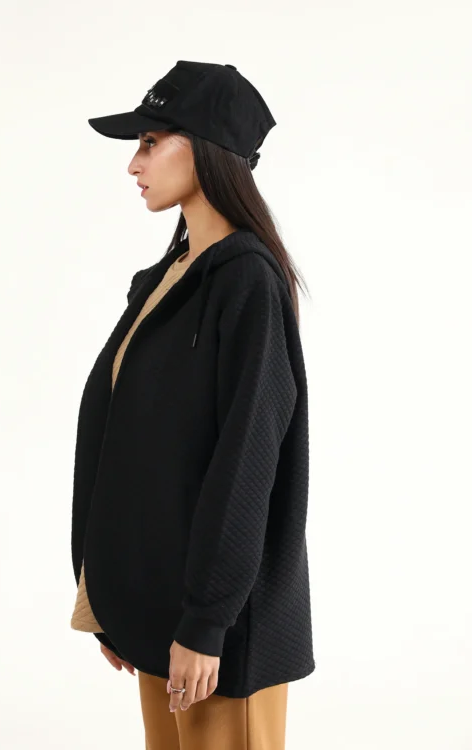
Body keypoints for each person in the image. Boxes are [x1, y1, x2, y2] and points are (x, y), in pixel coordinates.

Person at [70, 60, 315, 749]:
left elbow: (246, 464)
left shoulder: (248, 283)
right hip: (161, 611)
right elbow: (130, 446)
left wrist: (207, 622)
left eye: (151, 142)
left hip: (218, 633)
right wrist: (109, 598)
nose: (133, 164)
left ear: (207, 149)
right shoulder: (167, 278)